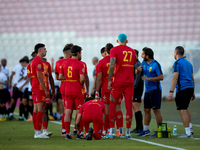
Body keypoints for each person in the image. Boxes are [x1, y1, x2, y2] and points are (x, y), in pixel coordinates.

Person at [107, 33, 136, 139]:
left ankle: (111, 132)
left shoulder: (114, 50)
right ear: (127, 41)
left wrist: (110, 80)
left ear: (117, 41)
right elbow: (133, 64)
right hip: (129, 82)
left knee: (112, 104)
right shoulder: (132, 51)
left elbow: (112, 65)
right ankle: (128, 133)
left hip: (118, 81)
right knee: (128, 106)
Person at [96, 43, 124, 137]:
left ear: (105, 50)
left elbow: (99, 79)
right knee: (118, 109)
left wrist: (97, 91)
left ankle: (106, 130)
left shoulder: (101, 62)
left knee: (106, 111)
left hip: (105, 89)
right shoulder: (117, 61)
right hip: (116, 88)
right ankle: (120, 131)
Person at [168, 46, 195, 138]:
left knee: (182, 110)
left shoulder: (177, 63)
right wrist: (193, 91)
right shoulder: (189, 63)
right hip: (190, 87)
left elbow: (175, 77)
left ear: (176, 53)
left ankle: (188, 133)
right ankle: (190, 129)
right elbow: (192, 78)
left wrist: (171, 91)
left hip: (182, 88)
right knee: (186, 108)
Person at [59, 45, 85, 139]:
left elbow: (60, 77)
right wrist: (77, 80)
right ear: (78, 53)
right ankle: (78, 133)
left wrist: (69, 79)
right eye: (80, 53)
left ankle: (67, 133)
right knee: (79, 111)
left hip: (67, 90)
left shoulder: (64, 63)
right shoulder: (80, 64)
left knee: (68, 111)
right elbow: (82, 79)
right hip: (77, 90)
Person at [136, 47, 163, 137]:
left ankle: (160, 130)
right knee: (146, 110)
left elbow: (161, 77)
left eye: (143, 54)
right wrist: (137, 70)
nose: (141, 55)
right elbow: (137, 72)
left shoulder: (156, 64)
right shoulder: (144, 63)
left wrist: (149, 78)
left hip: (155, 90)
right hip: (147, 91)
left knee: (156, 110)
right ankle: (146, 130)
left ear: (147, 56)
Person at [30, 43, 49, 138]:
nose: (46, 51)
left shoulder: (36, 60)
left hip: (35, 87)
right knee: (40, 109)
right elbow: (39, 76)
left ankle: (37, 131)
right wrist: (45, 89)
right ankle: (37, 132)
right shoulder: (38, 60)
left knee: (36, 109)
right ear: (40, 50)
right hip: (39, 88)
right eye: (45, 49)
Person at [55, 44, 72, 136]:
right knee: (69, 110)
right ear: (70, 53)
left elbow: (57, 77)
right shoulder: (73, 62)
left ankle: (64, 131)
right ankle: (67, 131)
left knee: (66, 109)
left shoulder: (58, 63)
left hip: (63, 88)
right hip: (72, 88)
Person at [131, 50, 144, 134]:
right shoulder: (134, 64)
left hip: (137, 88)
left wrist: (133, 88)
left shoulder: (137, 64)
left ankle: (140, 127)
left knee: (137, 108)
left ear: (137, 55)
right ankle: (138, 127)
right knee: (135, 108)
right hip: (136, 88)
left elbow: (138, 79)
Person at [41, 58, 55, 136]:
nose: (45, 51)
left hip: (46, 90)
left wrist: (53, 90)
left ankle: (45, 130)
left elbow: (50, 77)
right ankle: (37, 131)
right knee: (38, 110)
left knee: (45, 109)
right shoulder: (32, 64)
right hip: (38, 90)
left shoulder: (47, 64)